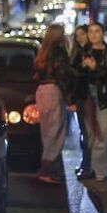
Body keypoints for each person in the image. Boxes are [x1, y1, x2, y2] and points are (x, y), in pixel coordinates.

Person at [78, 22, 107, 182]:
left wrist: (95, 68)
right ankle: (90, 167)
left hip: (105, 98)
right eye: (90, 31)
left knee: (102, 135)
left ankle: (101, 171)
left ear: (103, 34)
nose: (93, 34)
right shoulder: (83, 52)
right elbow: (74, 73)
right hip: (86, 98)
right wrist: (82, 67)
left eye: (97, 31)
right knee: (90, 134)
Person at [33, 23, 73, 184]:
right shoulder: (59, 52)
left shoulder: (43, 52)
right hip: (53, 91)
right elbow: (62, 76)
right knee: (55, 131)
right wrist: (70, 100)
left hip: (42, 91)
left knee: (47, 131)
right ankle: (48, 169)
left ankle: (48, 167)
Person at [69, 25, 92, 178]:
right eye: (77, 35)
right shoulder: (77, 52)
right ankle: (86, 163)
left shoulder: (90, 51)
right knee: (84, 132)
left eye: (82, 34)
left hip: (88, 96)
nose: (79, 38)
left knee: (88, 133)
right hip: (79, 96)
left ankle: (89, 166)